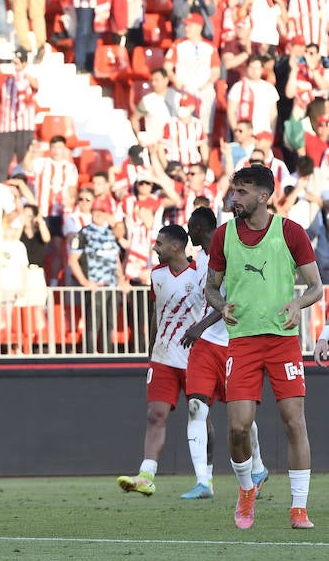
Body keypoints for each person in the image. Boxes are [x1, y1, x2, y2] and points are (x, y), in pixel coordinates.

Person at [205, 165, 323, 530]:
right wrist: (220, 305)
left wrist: (296, 304)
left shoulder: (291, 232)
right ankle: (246, 491)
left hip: (283, 344)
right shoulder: (223, 236)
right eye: (232, 191)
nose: (233, 198)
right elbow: (210, 287)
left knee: (294, 423)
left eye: (241, 192)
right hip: (241, 344)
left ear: (263, 195)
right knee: (238, 428)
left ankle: (299, 508)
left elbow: (316, 287)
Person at [180, 206, 268, 501]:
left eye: (191, 227)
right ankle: (203, 482)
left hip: (232, 343)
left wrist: (198, 326)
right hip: (205, 347)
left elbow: (232, 300)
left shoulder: (228, 255)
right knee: (196, 408)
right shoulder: (200, 259)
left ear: (200, 229)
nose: (188, 232)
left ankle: (257, 466)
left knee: (240, 416)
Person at [114, 224, 205, 498]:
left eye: (159, 243)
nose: (154, 248)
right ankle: (146, 475)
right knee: (155, 415)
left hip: (195, 358)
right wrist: (151, 348)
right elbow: (157, 312)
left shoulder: (200, 274)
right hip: (163, 357)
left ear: (176, 246)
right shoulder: (156, 275)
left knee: (201, 417)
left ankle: (205, 477)